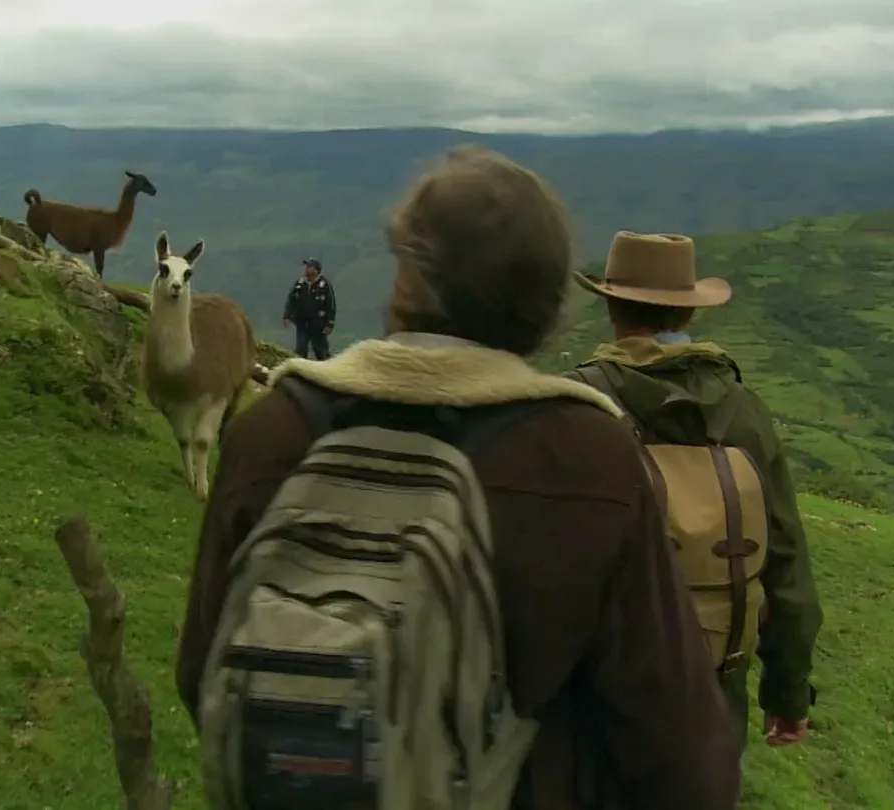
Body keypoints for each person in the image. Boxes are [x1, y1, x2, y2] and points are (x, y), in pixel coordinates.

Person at [177, 146, 742, 809]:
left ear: (406, 281)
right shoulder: (588, 458)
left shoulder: (272, 431)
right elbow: (676, 746)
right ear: (542, 303)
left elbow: (203, 673)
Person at [569, 231, 824, 752]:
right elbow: (787, 567)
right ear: (688, 315)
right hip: (714, 688)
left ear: (611, 307)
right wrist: (787, 696)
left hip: (600, 692)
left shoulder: (578, 404)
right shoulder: (743, 410)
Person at [281, 257, 336, 359]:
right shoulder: (300, 283)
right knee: (300, 349)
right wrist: (287, 316)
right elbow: (291, 300)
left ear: (316, 270)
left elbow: (330, 305)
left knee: (321, 351)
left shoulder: (324, 285)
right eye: (306, 266)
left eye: (309, 266)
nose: (306, 269)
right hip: (302, 323)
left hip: (318, 325)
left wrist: (329, 323)